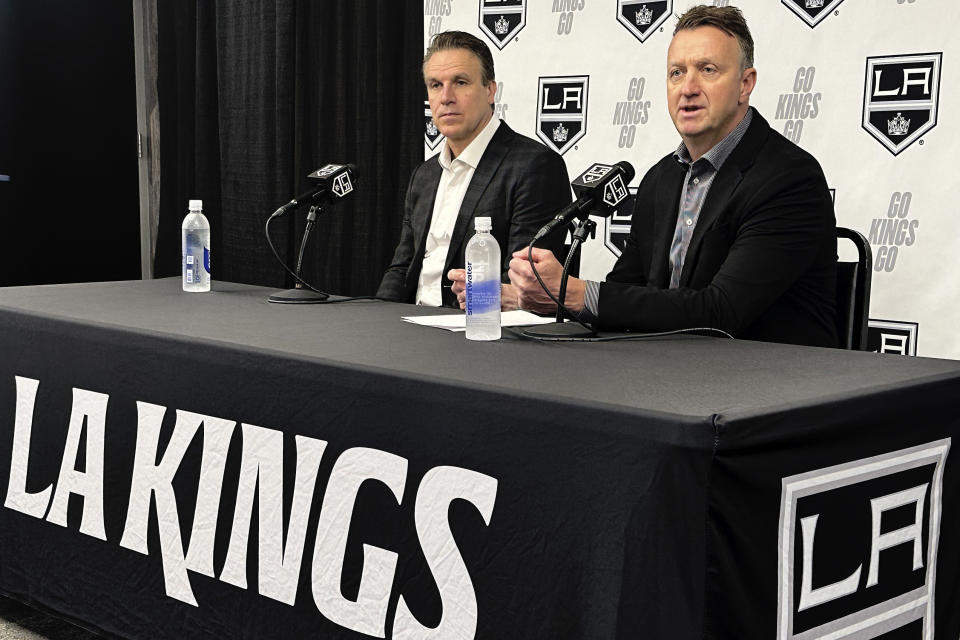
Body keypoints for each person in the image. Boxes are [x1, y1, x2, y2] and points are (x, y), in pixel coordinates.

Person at [508, 5, 838, 347]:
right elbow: (628, 289)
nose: (688, 87)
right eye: (676, 73)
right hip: (673, 374)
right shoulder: (660, 179)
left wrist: (576, 294)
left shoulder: (788, 178)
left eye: (707, 70)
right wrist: (553, 294)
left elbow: (722, 312)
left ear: (745, 84)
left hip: (775, 381)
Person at [377, 31, 570, 308]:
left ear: (490, 91)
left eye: (460, 82)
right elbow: (402, 268)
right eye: (435, 85)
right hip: (410, 327)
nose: (445, 97)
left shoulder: (535, 166)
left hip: (476, 332)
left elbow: (521, 282)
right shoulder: (424, 174)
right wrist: (378, 319)